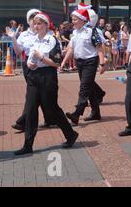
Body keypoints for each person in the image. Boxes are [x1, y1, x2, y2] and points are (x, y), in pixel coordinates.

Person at [13, 13, 78, 155]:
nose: (36, 26)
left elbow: (56, 62)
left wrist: (41, 57)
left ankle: (70, 134)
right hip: (33, 77)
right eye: (35, 24)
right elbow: (31, 58)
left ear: (46, 25)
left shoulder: (52, 40)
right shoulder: (34, 40)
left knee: (51, 109)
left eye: (39, 24)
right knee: (30, 110)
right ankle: (28, 145)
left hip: (48, 76)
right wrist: (30, 64)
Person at [7, 9, 54, 131]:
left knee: (37, 95)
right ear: (29, 21)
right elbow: (18, 52)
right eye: (32, 18)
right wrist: (13, 38)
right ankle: (47, 119)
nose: (34, 20)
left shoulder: (47, 34)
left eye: (37, 18)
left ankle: (25, 121)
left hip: (44, 64)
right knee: (34, 94)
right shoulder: (24, 35)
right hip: (29, 64)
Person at [60, 8, 106, 125]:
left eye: (75, 19)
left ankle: (77, 113)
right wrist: (64, 62)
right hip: (79, 62)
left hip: (90, 61)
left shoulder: (91, 31)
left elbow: (99, 47)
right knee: (89, 88)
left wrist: (102, 63)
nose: (73, 22)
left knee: (84, 88)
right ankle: (96, 112)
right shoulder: (74, 33)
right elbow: (71, 49)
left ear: (83, 20)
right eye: (72, 19)